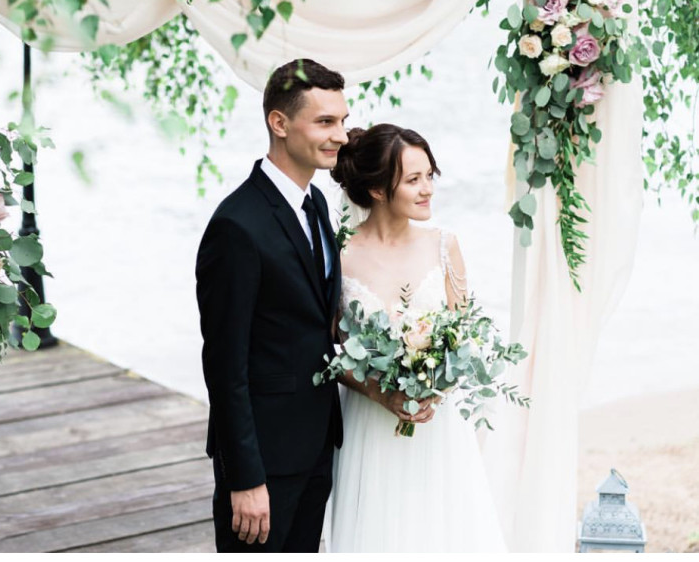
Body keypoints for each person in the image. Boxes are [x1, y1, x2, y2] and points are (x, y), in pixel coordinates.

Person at [326, 124, 506, 552]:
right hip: (368, 424)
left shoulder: (444, 245)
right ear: (377, 190)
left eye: (429, 176)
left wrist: (433, 390)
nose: (428, 189)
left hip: (436, 427)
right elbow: (326, 352)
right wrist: (380, 392)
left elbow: (463, 338)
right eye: (413, 180)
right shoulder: (339, 255)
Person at [195, 59, 347, 552]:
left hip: (315, 443)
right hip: (263, 460)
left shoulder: (315, 204)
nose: (341, 135)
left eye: (342, 120)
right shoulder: (236, 226)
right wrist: (245, 478)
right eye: (325, 121)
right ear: (279, 123)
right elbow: (224, 364)